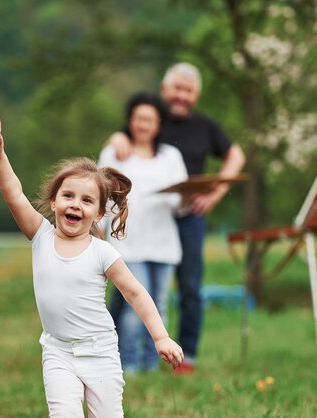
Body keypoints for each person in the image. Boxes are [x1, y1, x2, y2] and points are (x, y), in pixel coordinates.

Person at [0, 114, 183, 417]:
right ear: (54, 202)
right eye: (68, 196)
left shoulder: (102, 253)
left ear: (98, 215)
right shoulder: (41, 236)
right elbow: (14, 195)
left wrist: (160, 336)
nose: (75, 204)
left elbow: (136, 293)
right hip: (57, 351)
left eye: (86, 201)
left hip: (100, 352)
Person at [107, 63, 246, 374]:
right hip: (141, 221)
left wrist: (215, 193)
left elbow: (236, 155)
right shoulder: (152, 117)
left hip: (186, 214)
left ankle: (186, 356)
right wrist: (116, 137)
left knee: (189, 286)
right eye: (177, 89)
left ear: (196, 95)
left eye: (189, 91)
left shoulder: (206, 126)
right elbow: (125, 136)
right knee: (128, 287)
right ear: (164, 90)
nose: (182, 96)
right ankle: (113, 349)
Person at [99, 92, 188, 373]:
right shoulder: (114, 153)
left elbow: (181, 204)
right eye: (139, 118)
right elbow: (100, 197)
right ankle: (128, 364)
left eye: (150, 119)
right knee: (136, 306)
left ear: (159, 124)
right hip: (128, 244)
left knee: (159, 306)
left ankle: (153, 364)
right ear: (130, 121)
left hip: (164, 244)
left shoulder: (170, 156)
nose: (143, 124)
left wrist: (187, 196)